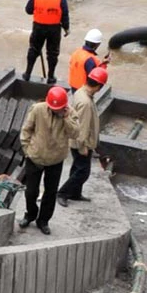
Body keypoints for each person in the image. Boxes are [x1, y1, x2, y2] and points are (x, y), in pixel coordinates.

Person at [19, 86, 79, 234]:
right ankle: (30, 214)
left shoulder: (70, 113)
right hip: (35, 158)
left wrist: (65, 118)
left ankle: (43, 220)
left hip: (55, 160)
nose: (56, 111)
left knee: (50, 192)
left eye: (59, 109)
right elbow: (26, 130)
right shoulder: (38, 109)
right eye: (54, 109)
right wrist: (28, 150)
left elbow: (75, 133)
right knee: (31, 191)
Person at [58, 67, 107, 205]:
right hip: (81, 142)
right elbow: (83, 127)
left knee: (77, 168)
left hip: (77, 140)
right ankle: (63, 193)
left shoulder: (80, 92)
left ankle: (75, 193)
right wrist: (82, 146)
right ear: (99, 86)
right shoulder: (85, 103)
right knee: (83, 172)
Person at [23, 0, 69, 84]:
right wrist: (66, 29)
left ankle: (27, 74)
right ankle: (51, 77)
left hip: (38, 27)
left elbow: (28, 10)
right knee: (52, 53)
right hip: (54, 30)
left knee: (33, 50)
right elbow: (64, 16)